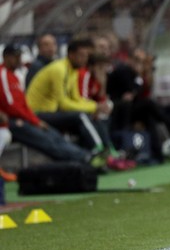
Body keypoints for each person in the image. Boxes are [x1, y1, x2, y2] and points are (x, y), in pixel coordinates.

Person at [25, 38, 133, 170]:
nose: (85, 59)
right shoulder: (59, 70)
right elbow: (63, 103)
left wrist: (96, 107)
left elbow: (76, 98)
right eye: (82, 56)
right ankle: (100, 153)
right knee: (81, 116)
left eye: (87, 56)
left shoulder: (72, 71)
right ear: (71, 55)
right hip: (37, 113)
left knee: (92, 116)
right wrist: (94, 107)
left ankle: (107, 155)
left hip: (51, 112)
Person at [0, 44, 105, 169]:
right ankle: (85, 159)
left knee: (53, 134)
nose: (19, 60)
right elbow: (12, 106)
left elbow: (23, 105)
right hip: (13, 120)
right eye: (15, 57)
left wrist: (35, 120)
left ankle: (85, 157)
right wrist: (34, 120)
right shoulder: (3, 74)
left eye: (20, 56)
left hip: (27, 117)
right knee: (44, 139)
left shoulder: (14, 77)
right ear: (6, 57)